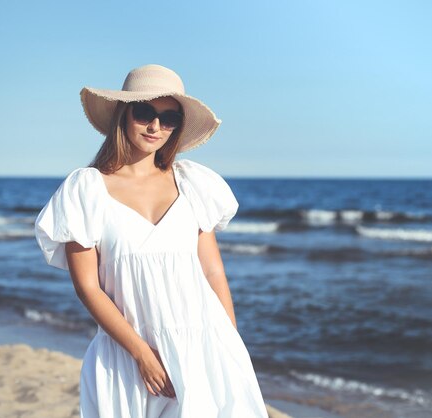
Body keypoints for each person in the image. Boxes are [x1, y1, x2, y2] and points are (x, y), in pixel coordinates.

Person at [34, 64, 269, 417]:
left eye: (169, 118)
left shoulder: (192, 184)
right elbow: (87, 288)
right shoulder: (85, 190)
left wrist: (229, 345)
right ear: (123, 115)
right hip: (127, 356)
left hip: (204, 347)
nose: (156, 126)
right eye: (145, 112)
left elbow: (213, 273)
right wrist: (142, 354)